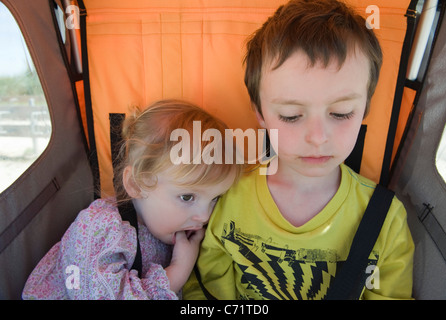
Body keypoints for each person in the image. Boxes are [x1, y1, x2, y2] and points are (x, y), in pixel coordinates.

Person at [183, 0, 414, 300]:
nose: (317, 137)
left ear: (365, 109)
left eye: (341, 113)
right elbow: (204, 290)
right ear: (261, 113)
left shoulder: (385, 220)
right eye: (291, 116)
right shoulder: (226, 196)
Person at [22, 99, 243, 299]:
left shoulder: (175, 232)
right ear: (137, 184)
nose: (204, 215)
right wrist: (178, 270)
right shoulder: (101, 226)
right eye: (187, 197)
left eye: (216, 198)